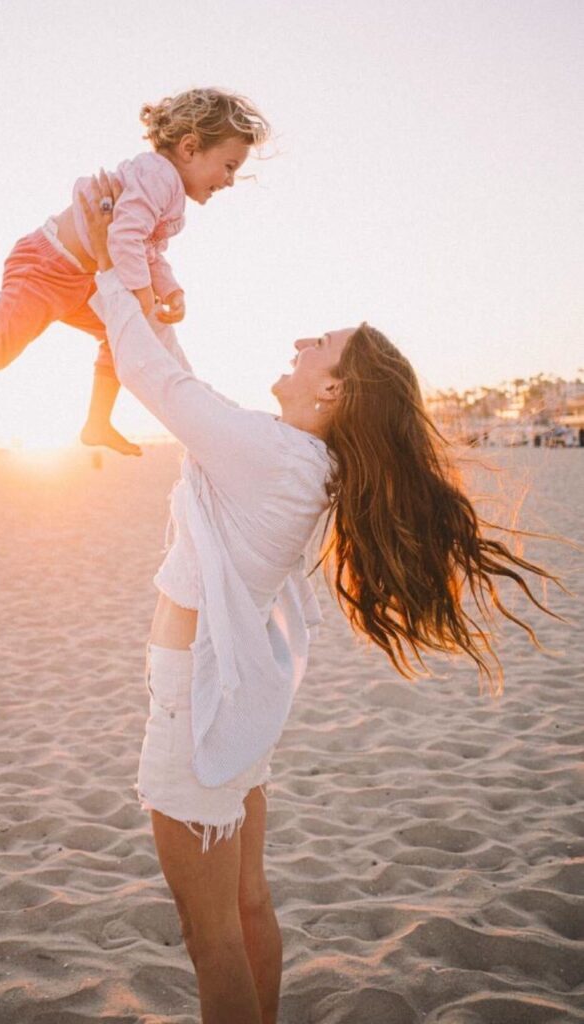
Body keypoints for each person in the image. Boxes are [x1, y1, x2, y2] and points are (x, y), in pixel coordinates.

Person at [78, 173, 559, 1024]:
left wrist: (112, 283)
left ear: (332, 391)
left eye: (319, 345)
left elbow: (161, 389)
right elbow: (184, 388)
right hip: (219, 693)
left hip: (191, 704)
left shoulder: (276, 460)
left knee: (210, 935)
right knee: (247, 906)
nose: (301, 344)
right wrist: (148, 282)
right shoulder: (296, 460)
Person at [0, 87, 269, 457]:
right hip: (46, 265)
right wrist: (143, 295)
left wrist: (170, 289)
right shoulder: (158, 176)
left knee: (121, 334)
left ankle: (97, 422)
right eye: (229, 166)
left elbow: (148, 249)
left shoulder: (166, 190)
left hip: (80, 277)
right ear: (190, 147)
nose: (230, 181)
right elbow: (126, 236)